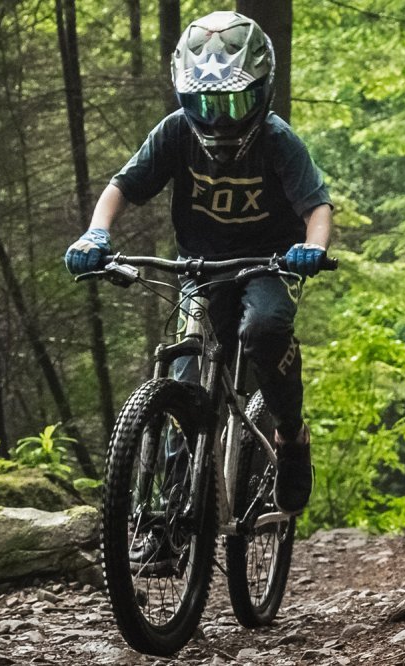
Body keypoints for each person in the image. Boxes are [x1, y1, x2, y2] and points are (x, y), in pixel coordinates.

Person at [66, 10, 327, 513]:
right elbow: (121, 186)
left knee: (265, 329)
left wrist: (311, 248)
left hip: (269, 263)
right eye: (204, 102)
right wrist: (96, 233)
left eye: (235, 101)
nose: (219, 117)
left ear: (262, 90)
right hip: (200, 268)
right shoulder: (174, 133)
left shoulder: (277, 140)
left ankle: (291, 437)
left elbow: (315, 205)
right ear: (184, 94)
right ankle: (169, 510)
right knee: (183, 378)